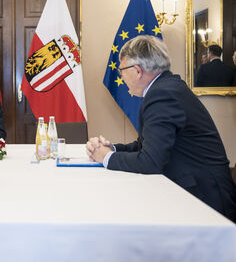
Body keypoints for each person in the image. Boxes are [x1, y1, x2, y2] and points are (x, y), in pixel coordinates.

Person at [86, 35, 236, 221]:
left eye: (121, 70)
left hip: (206, 199)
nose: (121, 77)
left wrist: (106, 157)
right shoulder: (167, 87)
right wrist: (111, 149)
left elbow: (150, 162)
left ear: (137, 70)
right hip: (198, 189)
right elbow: (145, 145)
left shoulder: (162, 95)